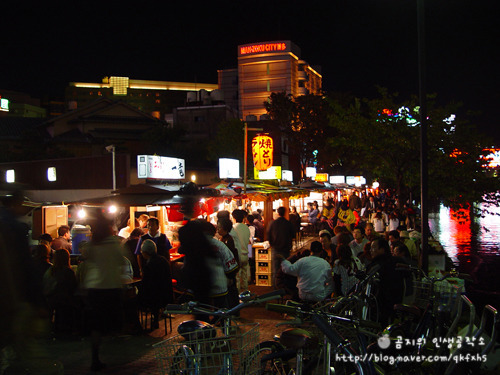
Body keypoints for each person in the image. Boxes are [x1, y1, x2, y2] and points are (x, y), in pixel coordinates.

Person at [82, 214, 126, 371]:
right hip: (111, 286)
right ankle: (116, 354)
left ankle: (95, 356)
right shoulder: (114, 243)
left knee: (96, 325)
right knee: (113, 321)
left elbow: (87, 259)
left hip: (94, 288)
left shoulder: (92, 244)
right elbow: (122, 261)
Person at [366, 238, 408, 325]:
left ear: (382, 249)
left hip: (380, 303)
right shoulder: (397, 261)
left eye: (373, 248)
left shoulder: (377, 265)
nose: (371, 250)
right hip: (397, 300)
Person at [138, 239, 174, 329]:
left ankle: (138, 325)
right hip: (167, 296)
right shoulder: (164, 260)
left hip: (154, 298)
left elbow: (146, 285)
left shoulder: (149, 265)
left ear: (145, 253)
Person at [43, 248, 77, 333]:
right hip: (65, 300)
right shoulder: (68, 272)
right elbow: (73, 287)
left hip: (50, 298)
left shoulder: (50, 271)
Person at [267, 206, 295, 283]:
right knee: (286, 268)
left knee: (275, 269)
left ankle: (275, 286)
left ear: (278, 213)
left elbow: (268, 235)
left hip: (275, 249)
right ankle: (285, 286)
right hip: (286, 249)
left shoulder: (272, 223)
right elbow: (293, 235)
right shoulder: (288, 223)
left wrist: (272, 243)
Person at [216, 217, 240, 309]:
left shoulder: (228, 240)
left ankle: (233, 309)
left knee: (231, 290)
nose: (218, 230)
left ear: (225, 228)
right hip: (228, 269)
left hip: (229, 269)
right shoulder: (223, 238)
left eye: (219, 227)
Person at [232, 209, 251, 292]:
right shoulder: (246, 228)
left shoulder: (233, 228)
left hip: (238, 255)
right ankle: (246, 292)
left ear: (234, 218)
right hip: (246, 254)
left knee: (237, 277)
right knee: (244, 275)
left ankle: (238, 295)